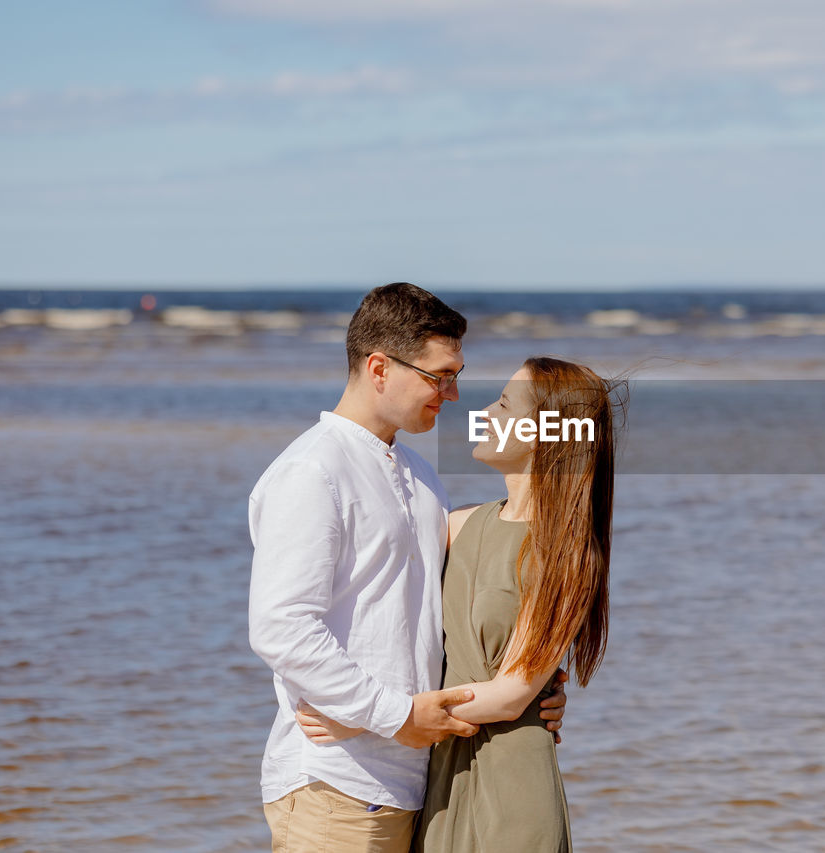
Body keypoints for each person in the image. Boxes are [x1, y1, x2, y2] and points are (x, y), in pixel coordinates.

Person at [248, 283, 567, 853]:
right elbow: (282, 626)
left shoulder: (421, 478)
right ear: (379, 367)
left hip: (413, 785)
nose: (452, 393)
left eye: (456, 374)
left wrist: (533, 681)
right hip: (334, 783)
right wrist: (390, 716)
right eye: (439, 376)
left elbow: (463, 605)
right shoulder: (313, 472)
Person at [297, 356, 618, 852]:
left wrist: (366, 717)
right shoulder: (458, 524)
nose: (484, 411)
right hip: (442, 771)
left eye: (506, 404)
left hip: (510, 782)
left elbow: (512, 694)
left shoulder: (566, 553)